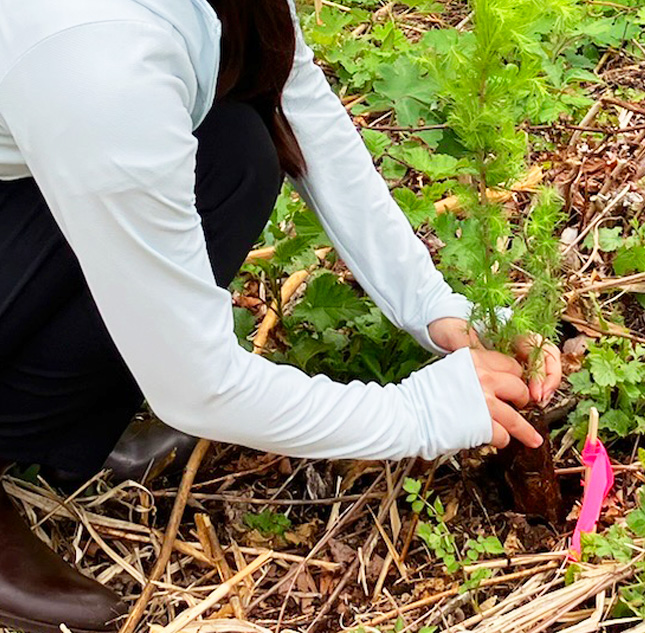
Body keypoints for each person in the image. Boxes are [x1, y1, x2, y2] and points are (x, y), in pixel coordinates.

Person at [0, 1, 562, 631]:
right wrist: (420, 412)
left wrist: (431, 308)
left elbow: (297, 103)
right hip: (75, 90)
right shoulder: (94, 55)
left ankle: (35, 427)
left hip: (56, 131)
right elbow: (199, 387)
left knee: (234, 151)